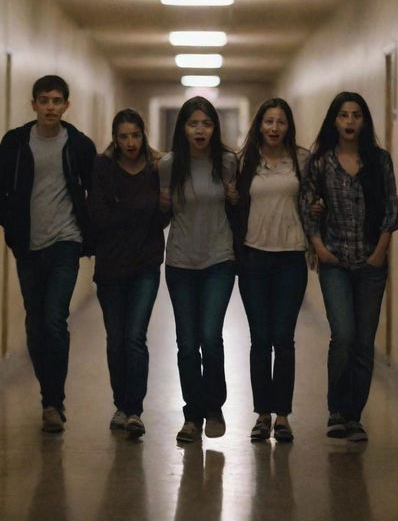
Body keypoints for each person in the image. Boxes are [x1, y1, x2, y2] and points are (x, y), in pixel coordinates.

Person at [0, 74, 96, 433]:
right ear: (33, 104)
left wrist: (86, 235)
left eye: (56, 101)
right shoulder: (16, 143)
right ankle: (48, 395)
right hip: (29, 248)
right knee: (35, 323)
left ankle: (54, 401)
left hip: (66, 242)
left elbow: (95, 190)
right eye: (44, 100)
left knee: (54, 319)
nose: (50, 107)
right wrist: (16, 230)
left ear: (66, 105)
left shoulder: (78, 145)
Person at [300, 91, 398, 442]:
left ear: (364, 121)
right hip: (335, 263)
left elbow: (391, 211)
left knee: (363, 341)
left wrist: (379, 253)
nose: (350, 121)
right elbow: (307, 209)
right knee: (342, 335)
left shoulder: (380, 161)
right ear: (334, 121)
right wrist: (320, 249)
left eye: (356, 115)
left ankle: (354, 415)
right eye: (343, 115)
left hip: (372, 264)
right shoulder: (321, 163)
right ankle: (336, 410)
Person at [158, 96, 238, 443]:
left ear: (214, 127)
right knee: (187, 343)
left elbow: (240, 207)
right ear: (183, 129)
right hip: (180, 261)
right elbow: (161, 214)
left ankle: (213, 406)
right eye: (193, 123)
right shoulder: (169, 165)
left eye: (206, 123)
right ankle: (192, 415)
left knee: (210, 336)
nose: (200, 130)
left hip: (219, 259)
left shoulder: (228, 163)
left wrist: (237, 199)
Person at [235, 98, 309, 443]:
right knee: (260, 339)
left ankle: (283, 416)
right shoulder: (243, 162)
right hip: (253, 258)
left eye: (281, 122)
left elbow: (313, 199)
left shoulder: (302, 160)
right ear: (259, 125)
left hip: (291, 258)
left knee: (284, 338)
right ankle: (262, 415)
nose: (274, 128)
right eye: (268, 121)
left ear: (288, 126)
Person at [89, 109, 166, 439]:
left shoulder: (156, 169)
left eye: (135, 134)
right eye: (123, 136)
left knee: (134, 337)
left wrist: (128, 211)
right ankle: (120, 405)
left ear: (143, 134)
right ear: (115, 138)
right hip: (110, 266)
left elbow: (163, 216)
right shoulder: (103, 167)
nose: (130, 142)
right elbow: (98, 215)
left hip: (145, 264)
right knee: (115, 339)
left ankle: (134, 410)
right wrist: (138, 212)